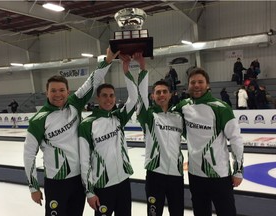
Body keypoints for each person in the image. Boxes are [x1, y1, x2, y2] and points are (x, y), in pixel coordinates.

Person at [23, 47, 120, 216]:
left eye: (61, 90)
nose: (58, 94)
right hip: (56, 182)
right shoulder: (38, 120)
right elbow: (29, 154)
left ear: (68, 91)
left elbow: (93, 81)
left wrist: (108, 60)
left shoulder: (75, 103)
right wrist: (33, 187)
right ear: (47, 93)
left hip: (79, 181)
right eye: (53, 90)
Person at [173, 67, 244, 216]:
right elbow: (167, 115)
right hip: (195, 174)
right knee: (200, 212)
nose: (196, 85)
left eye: (200, 82)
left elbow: (236, 140)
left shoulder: (221, 108)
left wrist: (238, 171)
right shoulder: (183, 106)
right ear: (188, 86)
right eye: (193, 82)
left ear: (208, 85)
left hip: (219, 175)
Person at [78, 52, 142, 216]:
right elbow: (84, 161)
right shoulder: (87, 125)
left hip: (123, 182)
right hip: (102, 185)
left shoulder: (118, 117)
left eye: (112, 96)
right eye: (105, 96)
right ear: (98, 98)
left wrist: (126, 71)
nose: (109, 99)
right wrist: (90, 192)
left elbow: (134, 98)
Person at [137, 73, 184, 216]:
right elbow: (140, 96)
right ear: (152, 96)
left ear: (170, 95)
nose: (161, 95)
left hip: (176, 175)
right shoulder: (148, 116)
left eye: (164, 92)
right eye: (158, 92)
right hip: (155, 175)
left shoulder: (179, 117)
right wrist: (143, 69)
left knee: (177, 212)